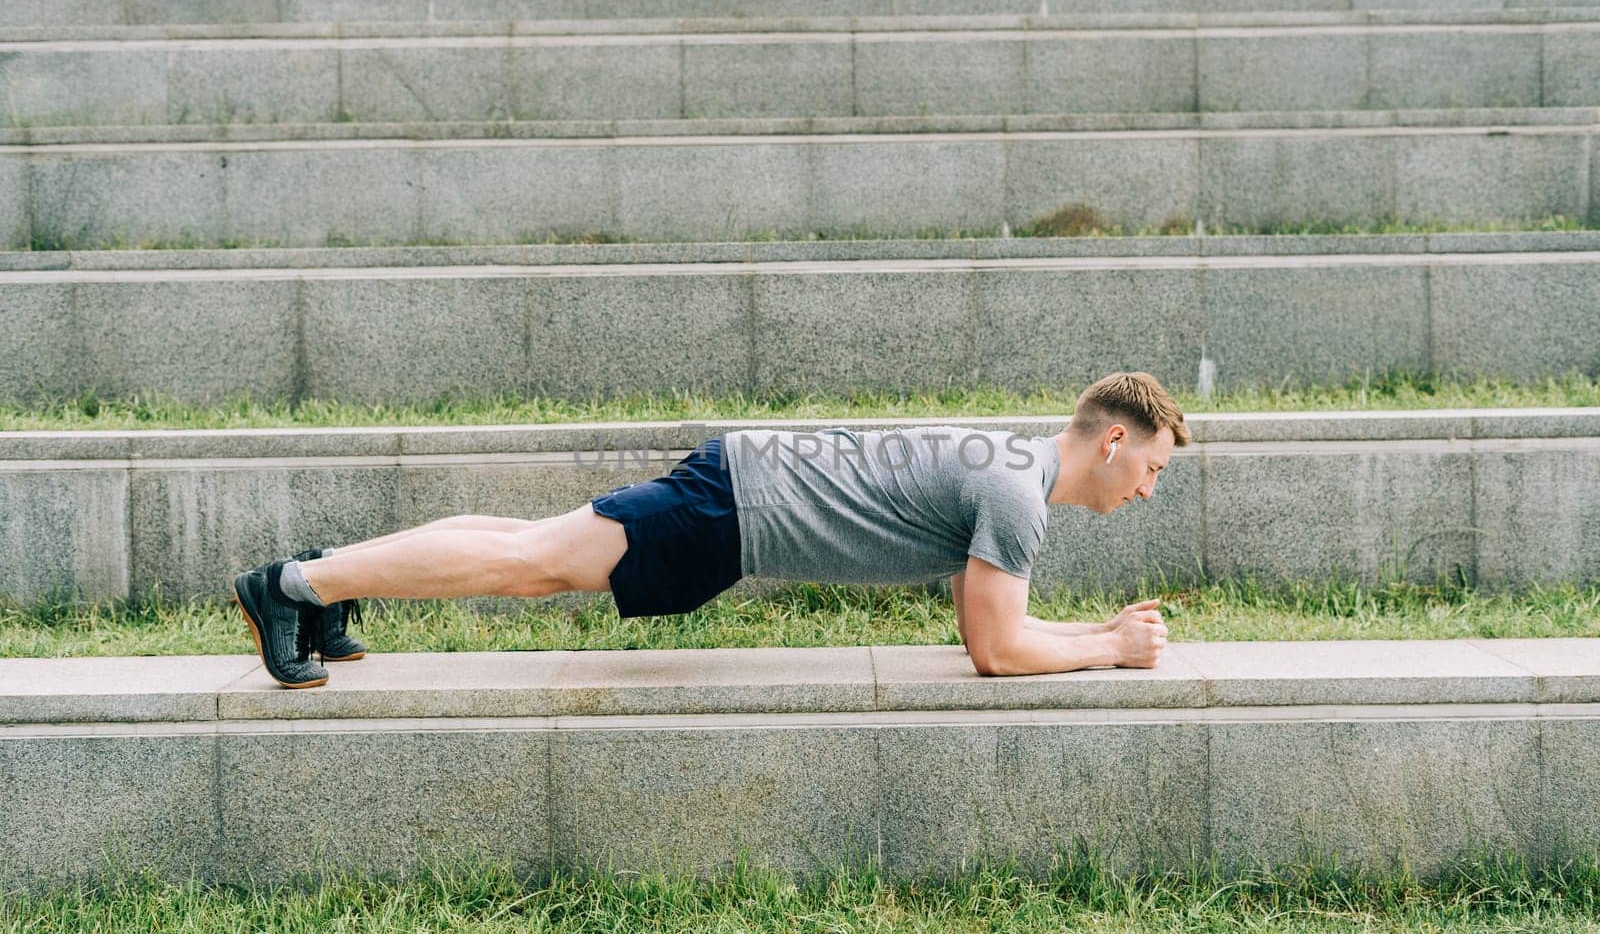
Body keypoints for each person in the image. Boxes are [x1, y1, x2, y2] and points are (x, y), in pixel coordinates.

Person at [233, 371, 1189, 688]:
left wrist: (1093, 637)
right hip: (739, 509)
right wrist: (1106, 645)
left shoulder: (1009, 465)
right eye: (1149, 468)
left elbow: (989, 625)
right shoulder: (1018, 497)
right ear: (1112, 440)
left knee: (531, 550)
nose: (1146, 489)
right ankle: (291, 587)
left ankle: (322, 581)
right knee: (529, 562)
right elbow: (992, 647)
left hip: (745, 493)